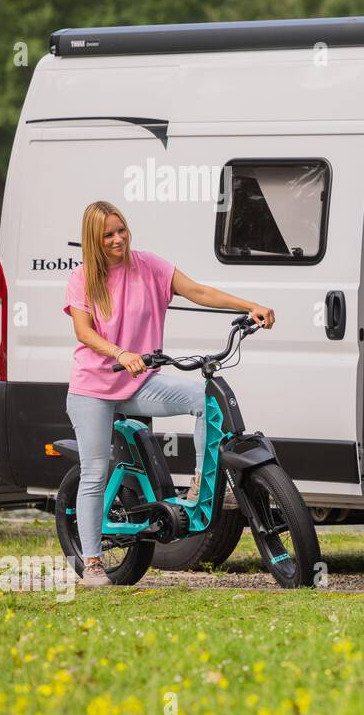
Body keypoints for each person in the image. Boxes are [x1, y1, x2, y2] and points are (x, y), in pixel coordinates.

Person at [63, 200, 274, 587]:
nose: (118, 239)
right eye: (108, 234)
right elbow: (84, 332)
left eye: (121, 230)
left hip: (140, 382)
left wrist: (250, 306)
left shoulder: (150, 266)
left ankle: (198, 480)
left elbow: (198, 291)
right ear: (94, 239)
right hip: (93, 388)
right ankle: (92, 562)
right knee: (95, 471)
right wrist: (120, 353)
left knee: (204, 400)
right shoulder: (83, 277)